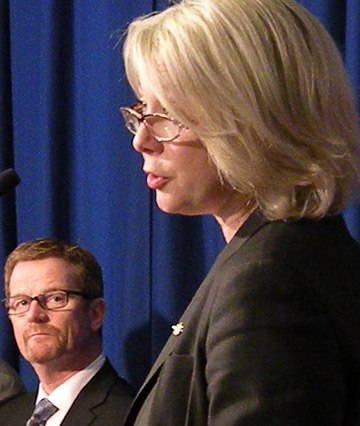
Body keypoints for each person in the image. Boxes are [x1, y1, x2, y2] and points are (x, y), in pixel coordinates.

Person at [119, 0, 360, 424]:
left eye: (166, 114)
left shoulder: (269, 280)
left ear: (252, 118)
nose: (143, 140)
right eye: (141, 111)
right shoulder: (291, 257)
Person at [0, 238, 134, 425]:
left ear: (95, 314)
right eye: (22, 302)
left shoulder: (133, 416)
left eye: (55, 298)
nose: (33, 315)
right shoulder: (7, 415)